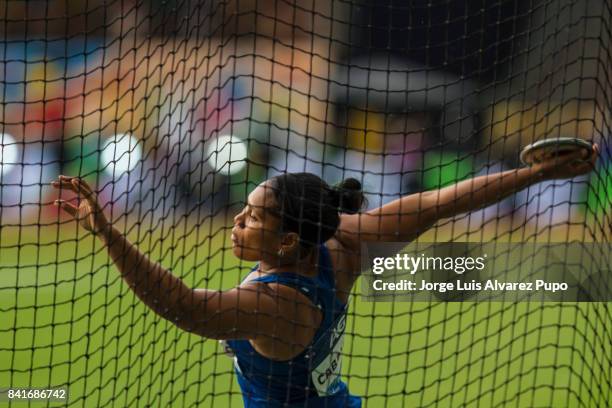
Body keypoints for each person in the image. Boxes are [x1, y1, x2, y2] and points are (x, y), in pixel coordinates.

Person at [52, 143, 599, 407]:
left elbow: (185, 307)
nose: (238, 221)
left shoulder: (278, 305)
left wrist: (108, 234)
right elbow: (437, 203)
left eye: (255, 217)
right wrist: (533, 174)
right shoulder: (344, 244)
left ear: (288, 241)